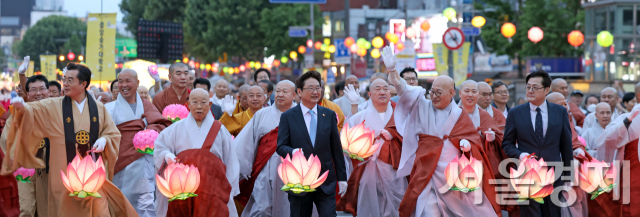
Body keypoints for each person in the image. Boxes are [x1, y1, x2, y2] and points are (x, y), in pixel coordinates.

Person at [1, 62, 137, 216]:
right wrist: (22, 108)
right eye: (64, 79)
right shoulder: (53, 105)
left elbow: (113, 134)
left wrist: (105, 140)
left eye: (70, 80)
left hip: (92, 177)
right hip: (62, 177)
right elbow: (34, 110)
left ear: (83, 84)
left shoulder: (98, 108)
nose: (64, 84)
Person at [381, 47, 500, 217]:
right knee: (429, 210)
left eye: (439, 93)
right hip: (427, 168)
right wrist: (392, 71)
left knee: (461, 211)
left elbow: (472, 137)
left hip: (452, 171)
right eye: (432, 91)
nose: (434, 96)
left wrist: (466, 143)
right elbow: (403, 89)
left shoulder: (459, 113)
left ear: (452, 93)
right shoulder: (422, 104)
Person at [154, 88, 239, 217]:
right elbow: (160, 147)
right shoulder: (176, 128)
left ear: (209, 104)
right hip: (183, 188)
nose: (199, 107)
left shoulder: (220, 130)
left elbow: (231, 160)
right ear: (188, 104)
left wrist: (230, 187)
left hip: (213, 187)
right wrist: (167, 155)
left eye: (203, 102)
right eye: (195, 102)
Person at [276, 71, 347, 217]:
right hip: (300, 181)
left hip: (325, 181)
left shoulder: (328, 115)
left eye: (318, 88)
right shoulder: (288, 117)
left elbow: (336, 149)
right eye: (311, 88)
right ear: (299, 92)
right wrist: (294, 152)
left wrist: (342, 178)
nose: (316, 92)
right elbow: (280, 147)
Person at [502, 71, 573, 216]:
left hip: (554, 174)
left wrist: (567, 176)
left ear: (547, 90)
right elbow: (507, 144)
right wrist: (521, 155)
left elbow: (566, 146)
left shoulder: (560, 112)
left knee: (552, 213)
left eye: (535, 87)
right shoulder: (515, 113)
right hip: (527, 175)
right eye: (528, 87)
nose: (530, 91)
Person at [105, 68, 172, 216]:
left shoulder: (147, 105)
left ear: (137, 83)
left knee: (146, 204)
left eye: (128, 81)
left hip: (144, 162)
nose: (124, 85)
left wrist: (148, 132)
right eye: (120, 81)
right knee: (121, 203)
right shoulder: (108, 109)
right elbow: (104, 134)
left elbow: (161, 125)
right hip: (121, 163)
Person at [336, 79, 406, 217]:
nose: (382, 92)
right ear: (369, 94)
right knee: (369, 206)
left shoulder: (401, 117)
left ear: (390, 92)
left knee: (396, 208)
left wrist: (395, 136)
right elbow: (346, 144)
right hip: (367, 171)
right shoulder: (358, 118)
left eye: (385, 88)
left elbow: (412, 142)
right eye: (377, 89)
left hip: (394, 170)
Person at [234, 80, 296, 217]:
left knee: (288, 208)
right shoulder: (262, 115)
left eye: (285, 92)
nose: (280, 95)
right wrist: (243, 169)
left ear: (294, 95)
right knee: (261, 209)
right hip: (265, 170)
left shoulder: (302, 116)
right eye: (278, 91)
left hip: (293, 170)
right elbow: (246, 144)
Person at [592, 82, 640, 217]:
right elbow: (607, 139)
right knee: (632, 209)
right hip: (632, 174)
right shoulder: (625, 118)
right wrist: (629, 119)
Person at [544, 92, 590, 217]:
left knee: (572, 205)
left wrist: (579, 150)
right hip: (547, 171)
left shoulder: (567, 121)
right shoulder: (540, 122)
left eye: (565, 104)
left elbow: (575, 142)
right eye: (561, 104)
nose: (565, 107)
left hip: (569, 171)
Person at [12, 75, 49, 217]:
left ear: (48, 91)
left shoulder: (58, 111)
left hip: (49, 169)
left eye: (42, 89)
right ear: (28, 93)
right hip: (25, 170)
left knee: (47, 209)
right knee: (26, 209)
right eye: (33, 90)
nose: (38, 93)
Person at [457, 80, 506, 181]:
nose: (470, 95)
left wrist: (493, 138)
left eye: (474, 91)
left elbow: (501, 138)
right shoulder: (452, 114)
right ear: (460, 93)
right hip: (457, 162)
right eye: (467, 91)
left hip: (481, 163)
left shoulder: (484, 115)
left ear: (477, 94)